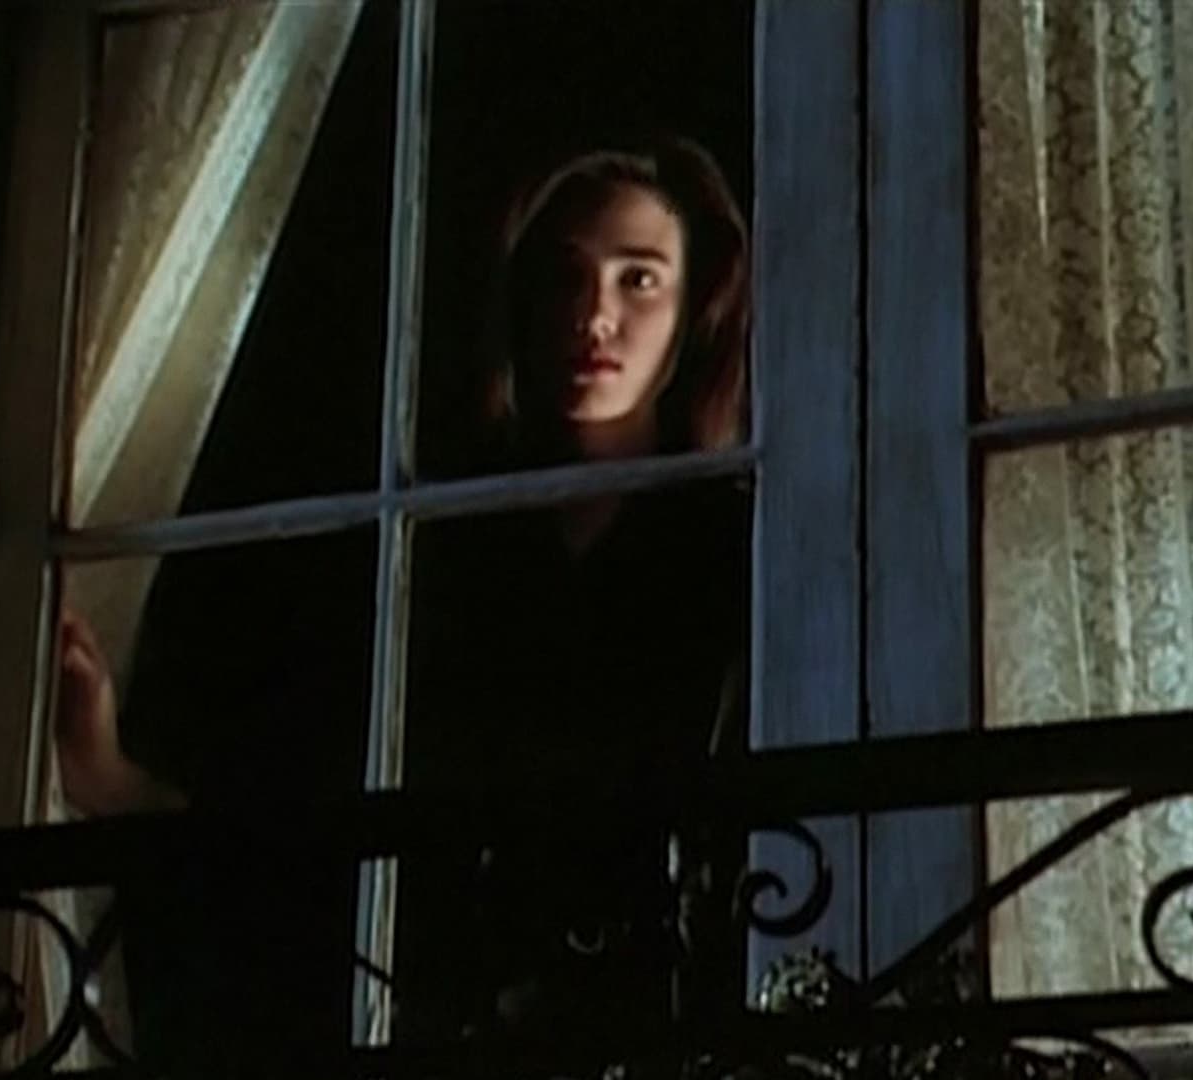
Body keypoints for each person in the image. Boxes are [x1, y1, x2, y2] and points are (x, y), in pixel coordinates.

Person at [55, 133, 752, 1075]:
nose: (596, 316)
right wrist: (123, 786)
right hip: (443, 1010)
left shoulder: (727, 545)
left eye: (639, 281)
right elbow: (318, 794)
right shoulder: (444, 540)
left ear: (692, 309)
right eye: (565, 276)